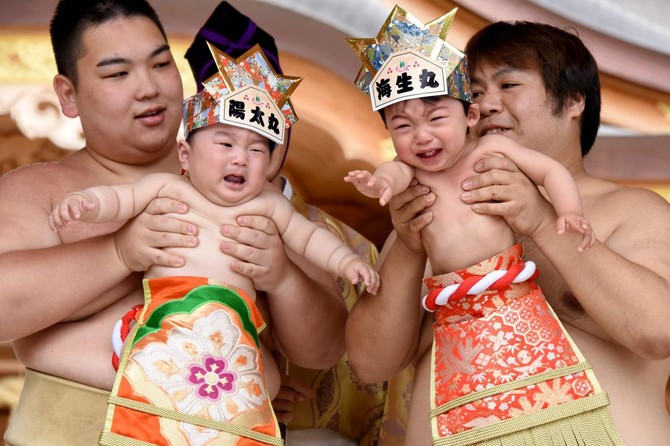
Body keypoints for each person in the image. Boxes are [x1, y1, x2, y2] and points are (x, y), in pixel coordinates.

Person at [0, 1, 347, 444]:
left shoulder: (248, 192)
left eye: (161, 64)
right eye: (117, 73)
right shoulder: (40, 189)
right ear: (68, 95)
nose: (148, 87)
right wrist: (119, 251)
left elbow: (325, 349)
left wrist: (281, 277)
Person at [345, 7, 670, 446]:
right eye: (473, 91)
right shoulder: (427, 215)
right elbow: (370, 364)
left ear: (574, 100)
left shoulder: (633, 209)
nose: (487, 103)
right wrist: (407, 245)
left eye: (509, 84)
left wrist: (538, 218)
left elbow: (657, 330)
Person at [183, 4, 414, 445]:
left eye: (260, 134)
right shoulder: (165, 214)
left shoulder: (354, 251)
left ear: (285, 129)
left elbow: (380, 382)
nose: (242, 152)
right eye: (225, 134)